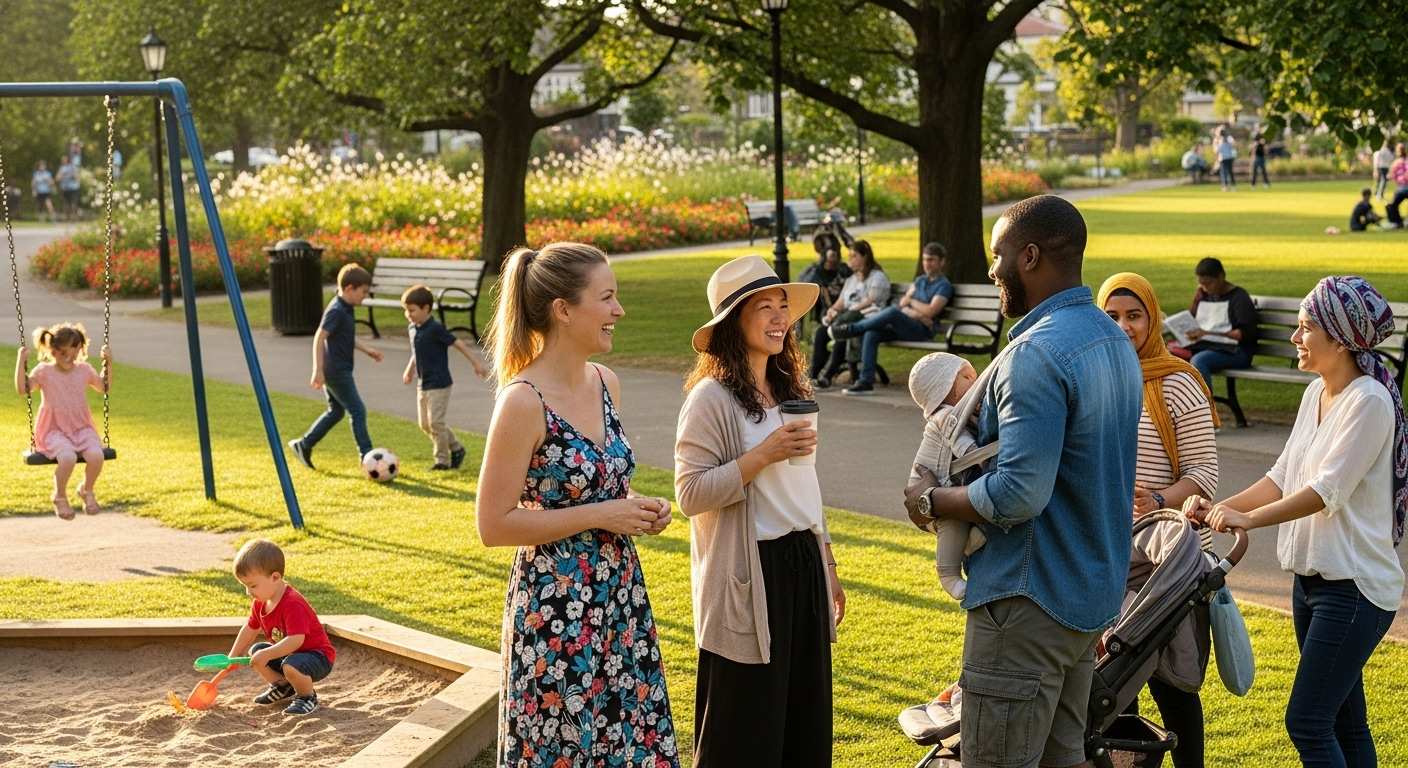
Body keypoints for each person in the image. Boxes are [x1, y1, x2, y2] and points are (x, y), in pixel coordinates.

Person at [904, 195, 1142, 768]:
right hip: (1087, 601)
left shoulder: (1034, 354)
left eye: (999, 255)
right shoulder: (1113, 342)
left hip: (1027, 601)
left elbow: (1018, 493)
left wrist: (935, 500)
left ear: (1029, 256)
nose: (992, 270)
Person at [1189, 276, 1405, 768]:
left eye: (1306, 328)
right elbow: (1283, 475)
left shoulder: (1368, 401)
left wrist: (1248, 518)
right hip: (1311, 584)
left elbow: (1324, 491)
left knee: (1307, 722)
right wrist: (1221, 507)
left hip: (1354, 589)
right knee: (1345, 725)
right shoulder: (1316, 394)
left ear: (1340, 338)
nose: (1295, 338)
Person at [477, 243, 678, 768]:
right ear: (563, 310)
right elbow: (493, 524)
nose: (619, 311)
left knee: (628, 742)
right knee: (563, 747)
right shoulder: (523, 401)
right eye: (607, 298)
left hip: (620, 600)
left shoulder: (607, 384)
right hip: (555, 611)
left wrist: (637, 507)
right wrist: (602, 514)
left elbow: (599, 489)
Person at [675, 254, 845, 767]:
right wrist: (761, 455)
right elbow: (690, 493)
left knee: (804, 719)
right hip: (750, 572)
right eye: (762, 307)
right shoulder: (711, 398)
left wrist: (828, 563)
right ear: (732, 322)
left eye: (782, 307)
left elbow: (805, 486)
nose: (778, 318)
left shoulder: (792, 388)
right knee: (744, 726)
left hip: (803, 563)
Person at [1099, 273, 1220, 768]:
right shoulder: (1099, 376)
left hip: (1164, 558)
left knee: (1171, 683)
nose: (1124, 326)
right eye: (1112, 317)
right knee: (1111, 685)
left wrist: (1158, 498)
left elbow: (1205, 473)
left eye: (1134, 316)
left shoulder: (1178, 381)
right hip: (1106, 555)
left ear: (1152, 317)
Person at [287, 263, 384, 469]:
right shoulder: (338, 310)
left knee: (336, 411)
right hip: (336, 370)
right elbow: (320, 337)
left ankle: (303, 445)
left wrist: (366, 349)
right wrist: (317, 369)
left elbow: (345, 337)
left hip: (339, 368)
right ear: (349, 288)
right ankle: (367, 456)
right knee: (358, 411)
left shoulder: (346, 307)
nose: (364, 297)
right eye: (363, 292)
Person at [226, 538, 336, 716]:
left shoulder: (293, 604)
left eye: (253, 585)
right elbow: (250, 628)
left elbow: (296, 640)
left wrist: (267, 654)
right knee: (256, 651)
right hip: (292, 655)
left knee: (290, 665)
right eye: (245, 586)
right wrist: (233, 656)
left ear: (275, 577)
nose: (249, 592)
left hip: (318, 657)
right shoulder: (260, 603)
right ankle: (283, 686)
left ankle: (307, 697)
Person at [13, 323, 112, 520]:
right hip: (54, 430)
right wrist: (20, 360)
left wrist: (109, 362)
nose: (69, 358)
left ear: (80, 350)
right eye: (63, 353)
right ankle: (59, 495)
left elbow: (104, 387)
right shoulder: (44, 372)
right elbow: (23, 389)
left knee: (96, 456)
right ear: (52, 351)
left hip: (81, 427)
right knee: (67, 457)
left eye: (74, 353)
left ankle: (86, 489)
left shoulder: (84, 370)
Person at [907, 352, 983, 599]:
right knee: (953, 519)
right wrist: (982, 458)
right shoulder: (945, 415)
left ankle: (973, 547)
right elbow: (960, 442)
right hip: (932, 493)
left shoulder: (965, 414)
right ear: (947, 389)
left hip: (945, 489)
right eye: (968, 377)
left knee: (966, 526)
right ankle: (949, 575)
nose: (977, 380)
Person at [831, 241, 953, 395]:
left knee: (891, 313)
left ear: (942, 262)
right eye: (924, 259)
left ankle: (852, 329)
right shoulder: (920, 281)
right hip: (907, 325)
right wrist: (915, 312)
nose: (927, 264)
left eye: (931, 260)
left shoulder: (944, 286)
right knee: (872, 333)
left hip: (922, 331)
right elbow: (903, 303)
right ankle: (866, 381)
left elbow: (930, 312)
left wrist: (912, 304)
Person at [399, 284, 487, 470]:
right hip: (423, 383)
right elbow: (416, 351)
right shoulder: (413, 328)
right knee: (425, 424)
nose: (408, 314)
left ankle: (442, 461)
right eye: (406, 310)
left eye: (412, 310)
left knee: (436, 422)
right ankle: (456, 447)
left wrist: (476, 364)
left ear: (426, 308)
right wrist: (409, 370)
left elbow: (459, 344)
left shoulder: (435, 329)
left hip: (439, 383)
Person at [808, 239, 889, 388]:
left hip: (867, 319)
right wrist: (832, 311)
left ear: (864, 257)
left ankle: (827, 376)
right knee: (821, 332)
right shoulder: (851, 280)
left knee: (842, 331)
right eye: (849, 256)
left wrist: (849, 311)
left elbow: (871, 301)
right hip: (846, 319)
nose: (849, 259)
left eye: (854, 256)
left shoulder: (877, 277)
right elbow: (841, 301)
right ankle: (812, 374)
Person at [1182, 257, 1258, 387]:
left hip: (1236, 351)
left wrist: (1206, 333)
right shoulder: (1203, 295)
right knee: (1168, 357)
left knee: (1199, 361)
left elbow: (1242, 334)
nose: (1204, 288)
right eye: (1201, 284)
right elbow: (1192, 320)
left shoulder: (1239, 298)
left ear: (1221, 277)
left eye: (1208, 283)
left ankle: (1205, 405)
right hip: (1205, 346)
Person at [796, 231, 852, 325]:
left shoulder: (845, 270)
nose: (832, 252)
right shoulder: (813, 273)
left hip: (846, 312)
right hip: (825, 316)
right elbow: (800, 302)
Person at [1385, 144, 1408, 229]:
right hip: (1403, 188)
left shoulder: (1397, 163)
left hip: (1402, 188)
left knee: (1392, 205)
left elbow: (1393, 175)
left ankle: (1396, 222)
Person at [56, 155, 80, 222]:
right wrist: (61, 175)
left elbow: (76, 178)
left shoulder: (72, 167)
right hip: (65, 188)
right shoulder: (62, 168)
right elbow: (57, 178)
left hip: (73, 188)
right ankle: (66, 218)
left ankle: (75, 216)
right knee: (66, 204)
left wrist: (73, 175)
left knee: (74, 203)